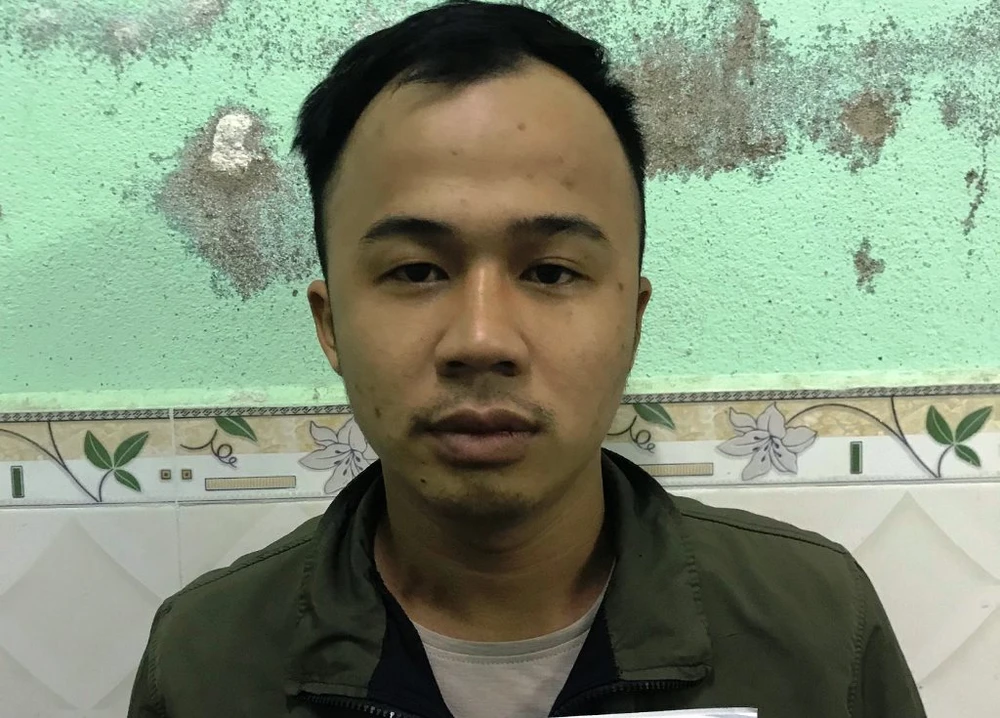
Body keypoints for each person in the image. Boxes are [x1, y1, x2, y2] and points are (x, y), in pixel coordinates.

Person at [129, 2, 926, 716]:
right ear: (330, 323)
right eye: (416, 271)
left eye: (550, 272)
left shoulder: (817, 631)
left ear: (632, 319)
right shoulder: (206, 663)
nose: (482, 340)